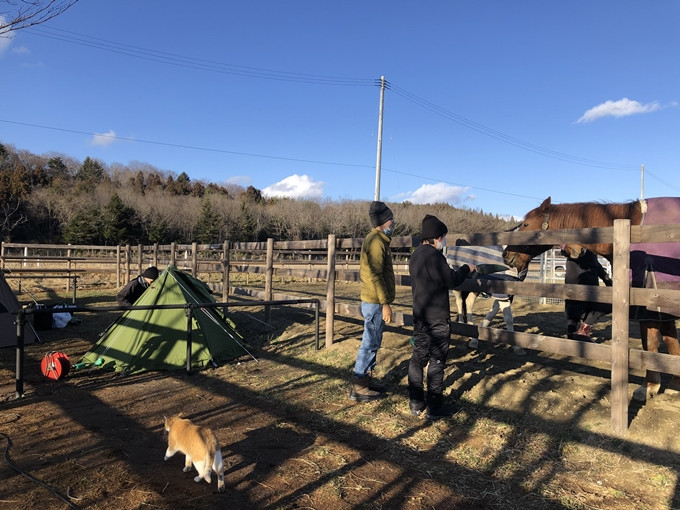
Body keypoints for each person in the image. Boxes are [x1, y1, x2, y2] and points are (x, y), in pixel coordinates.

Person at [408, 214, 474, 420]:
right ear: (436, 237)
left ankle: (416, 402)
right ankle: (435, 407)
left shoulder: (415, 255)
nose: (443, 241)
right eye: (442, 237)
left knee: (418, 356)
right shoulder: (436, 257)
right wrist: (466, 269)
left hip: (419, 314)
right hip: (437, 317)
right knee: (436, 360)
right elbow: (452, 279)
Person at [349, 201, 396, 403]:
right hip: (375, 301)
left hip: (373, 300)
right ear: (384, 221)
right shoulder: (376, 243)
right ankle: (359, 386)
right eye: (390, 218)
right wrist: (385, 303)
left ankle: (366, 381)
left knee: (373, 341)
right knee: (369, 343)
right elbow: (376, 275)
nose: (393, 222)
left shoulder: (376, 240)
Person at [562, 249, 612, 340]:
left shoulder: (591, 246)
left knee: (607, 305)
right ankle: (576, 335)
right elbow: (565, 250)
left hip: (588, 284)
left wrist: (607, 279)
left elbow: (595, 263)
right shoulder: (577, 243)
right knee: (573, 314)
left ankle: (583, 329)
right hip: (577, 282)